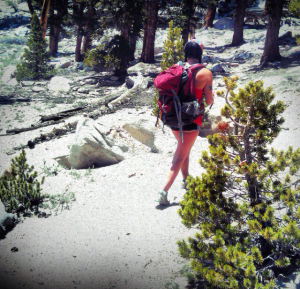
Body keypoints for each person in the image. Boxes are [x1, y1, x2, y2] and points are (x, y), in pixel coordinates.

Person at [157, 40, 214, 205]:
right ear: (200, 53)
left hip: (173, 117)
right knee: (180, 154)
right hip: (191, 119)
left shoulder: (177, 68)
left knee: (184, 148)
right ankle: (163, 191)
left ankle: (186, 180)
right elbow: (209, 101)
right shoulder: (205, 73)